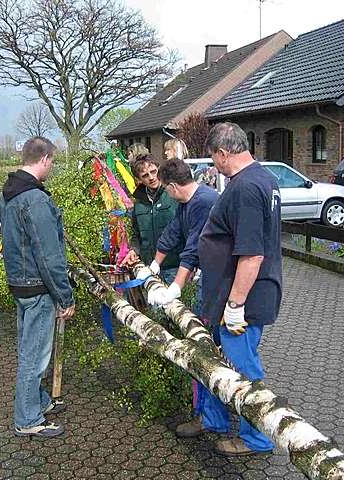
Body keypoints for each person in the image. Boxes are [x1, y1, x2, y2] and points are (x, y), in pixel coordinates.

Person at [192, 122, 282, 456]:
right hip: (235, 293)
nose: (214, 165)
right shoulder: (263, 179)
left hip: (245, 298)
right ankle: (214, 420)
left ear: (223, 153)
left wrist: (235, 305)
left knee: (243, 367)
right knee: (220, 362)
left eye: (214, 158)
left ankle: (257, 438)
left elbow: (252, 253)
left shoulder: (246, 187)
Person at [0, 136, 75, 438]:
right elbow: (48, 254)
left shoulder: (6, 194)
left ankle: (38, 401)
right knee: (35, 356)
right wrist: (65, 296)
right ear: (44, 159)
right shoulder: (36, 200)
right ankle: (28, 419)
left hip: (19, 282)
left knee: (27, 349)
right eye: (52, 162)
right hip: (37, 287)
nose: (52, 167)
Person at [146, 159, 218, 312]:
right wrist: (155, 264)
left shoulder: (204, 202)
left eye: (166, 188)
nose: (167, 193)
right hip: (207, 269)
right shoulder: (186, 202)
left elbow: (193, 248)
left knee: (202, 318)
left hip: (218, 273)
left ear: (173, 186)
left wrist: (175, 288)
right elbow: (173, 231)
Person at [120, 154, 179, 284]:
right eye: (145, 175)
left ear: (159, 169)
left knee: (178, 304)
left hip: (175, 267)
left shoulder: (174, 194)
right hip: (149, 268)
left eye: (153, 172)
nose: (151, 178)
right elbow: (137, 235)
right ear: (139, 179)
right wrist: (133, 251)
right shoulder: (138, 204)